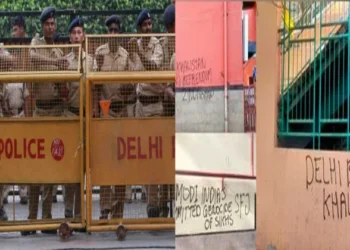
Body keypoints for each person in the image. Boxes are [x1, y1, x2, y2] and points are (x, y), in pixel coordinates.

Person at [22, 6, 69, 236]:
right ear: (42, 25)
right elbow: (32, 58)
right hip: (40, 113)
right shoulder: (36, 44)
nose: (50, 27)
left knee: (51, 168)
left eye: (53, 24)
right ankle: (31, 218)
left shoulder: (60, 52)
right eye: (47, 23)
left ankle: (47, 217)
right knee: (35, 168)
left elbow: (64, 85)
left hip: (56, 112)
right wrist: (55, 65)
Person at [95, 15, 135, 220]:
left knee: (120, 161)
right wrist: (95, 111)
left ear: (120, 33)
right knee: (105, 161)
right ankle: (104, 209)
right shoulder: (99, 53)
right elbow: (93, 85)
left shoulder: (126, 55)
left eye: (115, 30)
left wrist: (127, 89)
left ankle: (118, 210)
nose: (112, 33)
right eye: (109, 30)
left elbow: (131, 86)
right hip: (104, 112)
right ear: (106, 33)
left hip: (121, 111)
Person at [130, 9, 164, 218]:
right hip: (139, 106)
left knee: (154, 156)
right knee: (141, 155)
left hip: (155, 107)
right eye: (145, 25)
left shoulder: (156, 45)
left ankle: (153, 204)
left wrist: (139, 52)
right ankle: (149, 196)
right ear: (139, 27)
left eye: (150, 24)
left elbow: (153, 68)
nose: (148, 28)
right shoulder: (135, 45)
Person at [63, 17, 95, 224]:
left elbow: (95, 89)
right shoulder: (65, 61)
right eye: (73, 32)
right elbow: (62, 90)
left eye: (80, 32)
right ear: (70, 37)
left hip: (86, 117)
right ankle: (68, 211)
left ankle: (81, 214)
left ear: (84, 36)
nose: (77, 36)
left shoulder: (90, 61)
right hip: (70, 116)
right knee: (70, 164)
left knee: (85, 166)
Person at [2, 16, 30, 207]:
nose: (14, 32)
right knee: (6, 157)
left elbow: (28, 95)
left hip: (20, 114)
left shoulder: (27, 50)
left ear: (23, 31)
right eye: (13, 29)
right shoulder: (5, 55)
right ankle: (2, 197)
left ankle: (24, 192)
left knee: (24, 155)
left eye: (17, 29)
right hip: (6, 116)